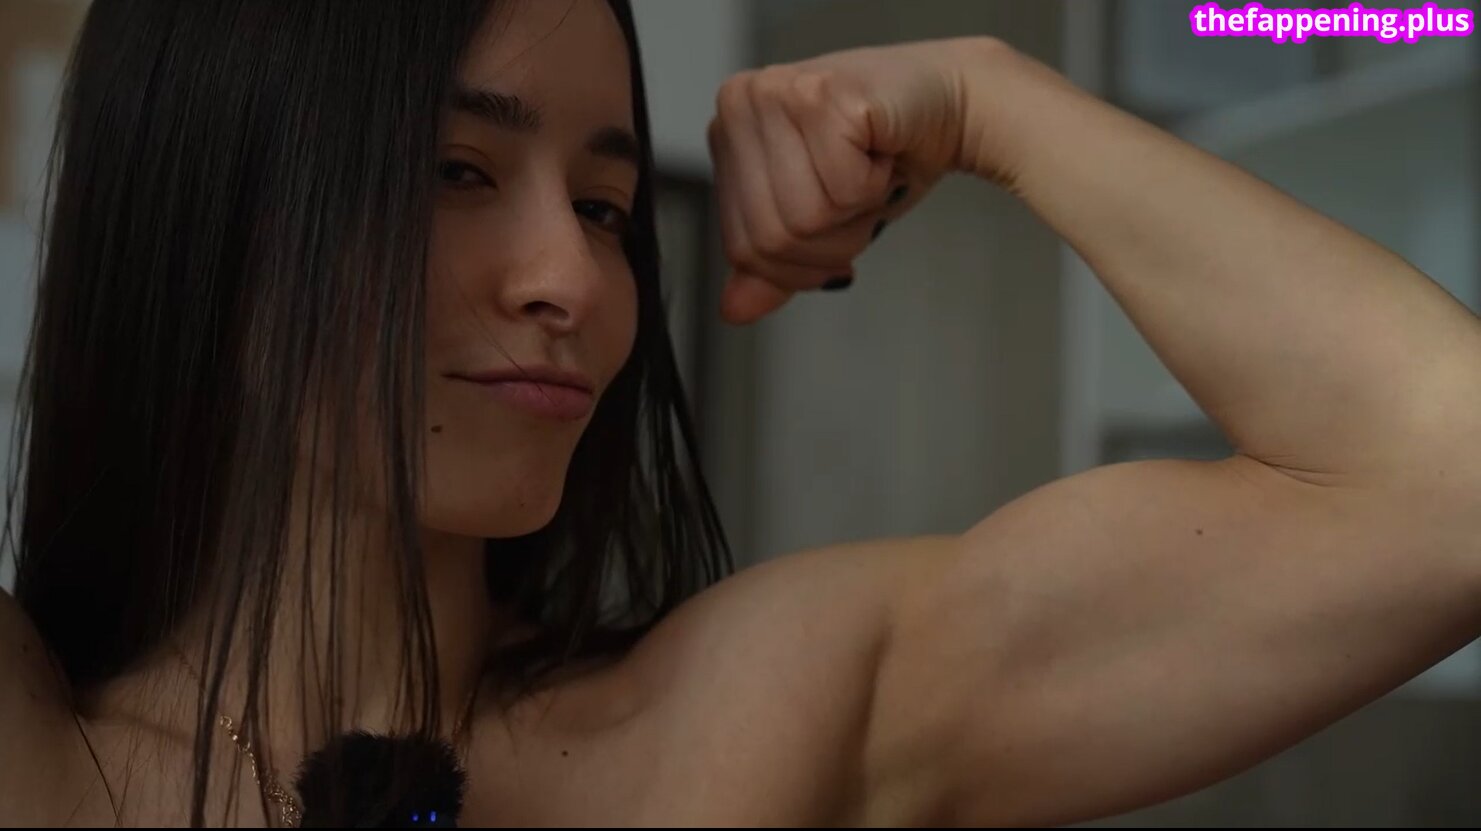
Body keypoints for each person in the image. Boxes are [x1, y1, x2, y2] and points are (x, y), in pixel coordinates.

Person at [2, 0, 1478, 826]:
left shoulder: (743, 725)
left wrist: (991, 100)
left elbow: (1446, 488)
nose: (574, 279)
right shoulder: (41, 753)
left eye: (604, 207)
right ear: (209, 210)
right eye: (456, 172)